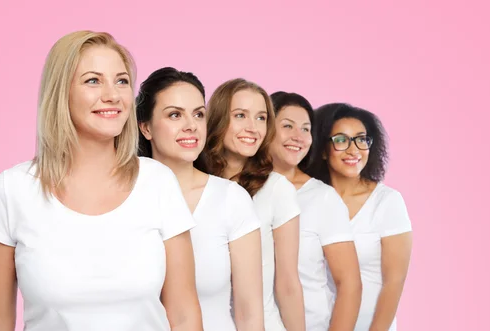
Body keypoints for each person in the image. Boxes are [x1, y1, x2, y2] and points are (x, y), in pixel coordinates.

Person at [0, 31, 203, 331]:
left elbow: (184, 312)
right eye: (93, 80)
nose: (112, 94)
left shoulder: (158, 182)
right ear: (61, 92)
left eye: (121, 81)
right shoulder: (12, 190)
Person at [136, 67, 264, 331]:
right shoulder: (124, 198)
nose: (191, 125)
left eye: (198, 114)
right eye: (175, 114)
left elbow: (249, 313)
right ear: (146, 127)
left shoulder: (231, 199)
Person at [197, 79, 305, 331]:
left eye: (261, 118)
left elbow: (288, 284)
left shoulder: (277, 189)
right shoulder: (193, 183)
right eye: (240, 115)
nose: (253, 128)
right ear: (219, 119)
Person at [309, 103, 413, 331]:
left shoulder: (387, 202)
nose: (353, 150)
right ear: (323, 150)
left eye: (361, 139)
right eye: (341, 140)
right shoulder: (312, 199)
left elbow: (394, 282)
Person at [269, 92, 362, 331]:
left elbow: (349, 283)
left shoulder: (322, 198)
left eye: (305, 129)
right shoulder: (242, 192)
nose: (297, 137)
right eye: (287, 126)